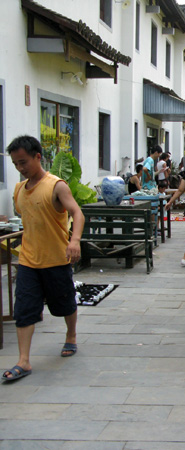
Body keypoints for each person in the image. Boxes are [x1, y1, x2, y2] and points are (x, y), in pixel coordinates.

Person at [2, 135, 85, 382]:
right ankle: (23, 361)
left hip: (56, 259)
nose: (20, 168)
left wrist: (75, 240)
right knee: (24, 309)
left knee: (64, 304)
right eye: (16, 163)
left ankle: (71, 336)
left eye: (23, 162)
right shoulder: (19, 189)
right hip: (28, 261)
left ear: (38, 157)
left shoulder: (56, 185)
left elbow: (77, 213)